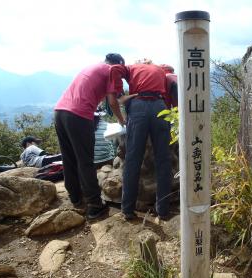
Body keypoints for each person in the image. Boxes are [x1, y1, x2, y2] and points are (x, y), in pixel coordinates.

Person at [54, 53, 136, 220]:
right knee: (85, 160)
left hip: (59, 112)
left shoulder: (93, 67)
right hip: (79, 115)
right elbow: (114, 102)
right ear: (119, 64)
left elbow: (119, 98)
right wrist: (122, 121)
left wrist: (130, 97)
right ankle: (94, 205)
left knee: (68, 158)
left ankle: (76, 199)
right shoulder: (112, 70)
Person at [110, 61, 172, 221]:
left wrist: (119, 95)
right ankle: (163, 210)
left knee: (133, 159)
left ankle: (128, 210)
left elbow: (114, 69)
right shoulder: (159, 69)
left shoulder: (131, 67)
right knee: (163, 160)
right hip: (160, 106)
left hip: (139, 106)